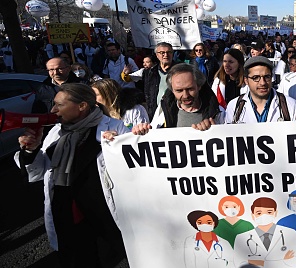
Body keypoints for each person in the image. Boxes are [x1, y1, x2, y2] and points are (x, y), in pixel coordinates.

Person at [15, 83, 129, 267]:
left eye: (59, 105)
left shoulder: (116, 128)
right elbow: (37, 172)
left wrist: (120, 145)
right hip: (67, 215)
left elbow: (133, 170)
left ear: (82, 106)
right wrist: (31, 150)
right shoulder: (56, 131)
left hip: (101, 217)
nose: (53, 110)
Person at [214, 56, 296, 128]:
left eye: (267, 77)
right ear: (246, 81)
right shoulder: (234, 106)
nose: (262, 83)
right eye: (256, 78)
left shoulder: (290, 105)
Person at [131, 63, 222, 134]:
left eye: (190, 89)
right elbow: (152, 134)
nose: (185, 95)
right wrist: (141, 130)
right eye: (179, 90)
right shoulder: (163, 109)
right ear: (172, 90)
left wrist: (215, 132)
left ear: (199, 86)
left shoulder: (217, 112)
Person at [233, 197, 296, 268]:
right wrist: (282, 261)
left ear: (275, 213)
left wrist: (258, 262)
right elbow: (239, 263)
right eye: (259, 213)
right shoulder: (241, 237)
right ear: (252, 215)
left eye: (269, 212)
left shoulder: (290, 233)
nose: (264, 216)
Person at [123, 42, 175, 121]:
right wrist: (125, 74)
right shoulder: (148, 72)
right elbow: (130, 78)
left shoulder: (180, 70)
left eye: (169, 52)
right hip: (154, 113)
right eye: (162, 53)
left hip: (173, 112)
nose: (166, 55)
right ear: (157, 55)